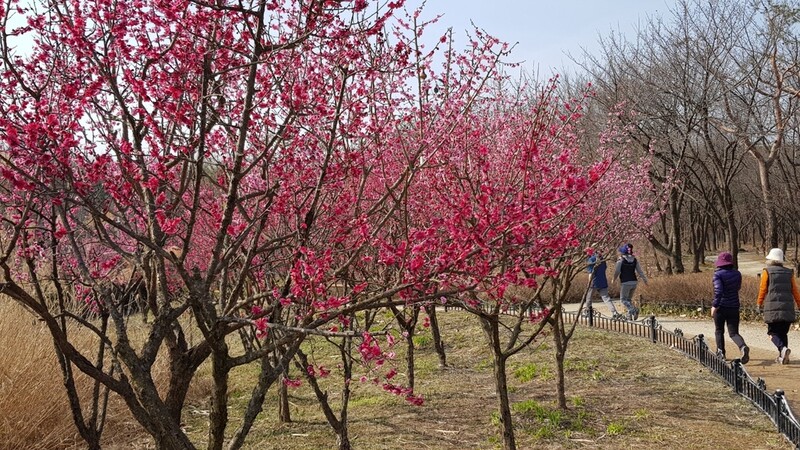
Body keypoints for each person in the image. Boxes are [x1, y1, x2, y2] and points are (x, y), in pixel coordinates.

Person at [756, 248, 800, 365]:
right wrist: (799, 304)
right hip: (787, 308)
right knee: (783, 333)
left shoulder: (767, 272)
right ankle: (784, 357)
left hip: (772, 309)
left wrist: (759, 303)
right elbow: (795, 291)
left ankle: (782, 349)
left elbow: (763, 290)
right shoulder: (789, 272)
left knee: (772, 333)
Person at [711, 251, 750, 364]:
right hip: (734, 306)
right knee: (733, 333)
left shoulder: (717, 275)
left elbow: (718, 291)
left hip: (721, 307)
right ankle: (742, 346)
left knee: (719, 330)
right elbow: (737, 288)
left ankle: (721, 353)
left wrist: (714, 305)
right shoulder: (737, 274)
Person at [613, 243, 647, 320]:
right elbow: (640, 271)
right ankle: (629, 315)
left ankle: (633, 310)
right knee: (628, 300)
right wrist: (645, 280)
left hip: (625, 282)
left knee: (623, 300)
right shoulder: (634, 260)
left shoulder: (621, 260)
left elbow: (617, 271)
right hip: (634, 282)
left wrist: (613, 279)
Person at [586, 252, 622, 318]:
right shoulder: (603, 260)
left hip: (594, 281)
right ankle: (614, 312)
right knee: (606, 298)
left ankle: (588, 311)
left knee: (589, 297)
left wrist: (589, 282)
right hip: (602, 281)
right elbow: (604, 268)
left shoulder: (591, 259)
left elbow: (590, 273)